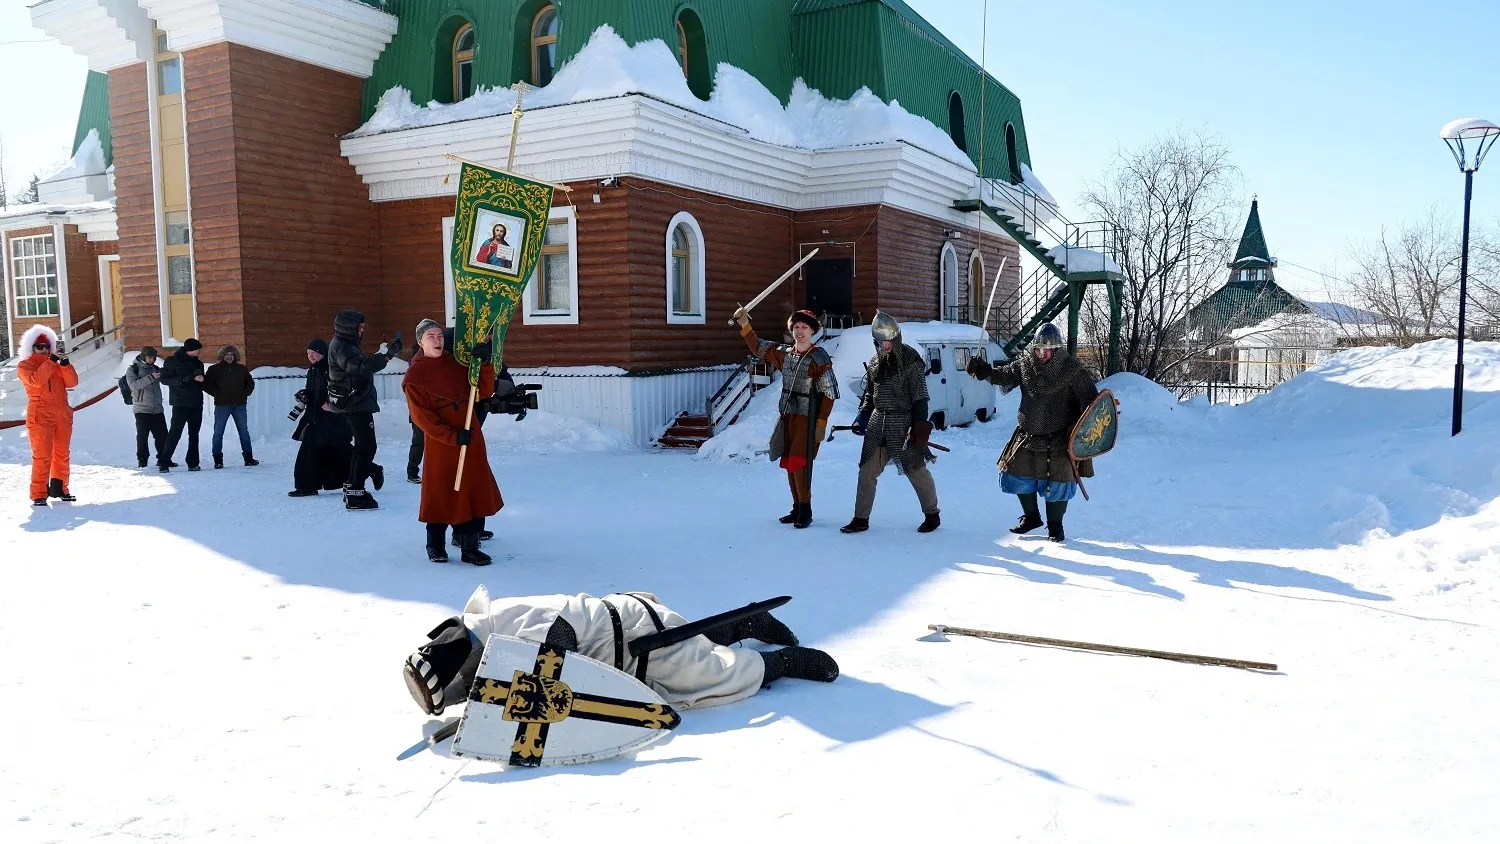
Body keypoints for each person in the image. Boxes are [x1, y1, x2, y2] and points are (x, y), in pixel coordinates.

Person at [402, 585, 839, 718]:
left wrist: (544, 698)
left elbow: (559, 642)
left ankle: (777, 661)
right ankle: (738, 625)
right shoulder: (494, 618)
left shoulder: (504, 622)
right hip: (624, 620)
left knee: (720, 673)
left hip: (635, 641)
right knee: (687, 635)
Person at [965, 323, 1104, 543]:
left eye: (1046, 350)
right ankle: (1031, 518)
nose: (1041, 354)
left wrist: (1099, 413)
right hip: (1028, 435)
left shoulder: (1072, 370)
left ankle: (1055, 527)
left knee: (1058, 483)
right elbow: (1005, 376)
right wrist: (984, 371)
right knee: (1017, 474)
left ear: (1056, 350)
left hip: (1060, 438)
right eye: (1038, 349)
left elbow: (1091, 401)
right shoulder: (1025, 364)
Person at [403, 318, 502, 565]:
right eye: (430, 336)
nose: (437, 340)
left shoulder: (457, 364)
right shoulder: (415, 376)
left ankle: (470, 547)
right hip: (443, 444)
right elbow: (422, 418)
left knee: (469, 489)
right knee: (441, 491)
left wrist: (484, 362)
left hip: (470, 436)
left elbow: (482, 391)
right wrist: (451, 437)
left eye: (439, 335)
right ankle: (434, 545)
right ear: (420, 342)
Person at [732, 308, 839, 528]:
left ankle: (806, 510)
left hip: (807, 419)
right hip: (788, 415)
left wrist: (821, 422)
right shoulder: (786, 354)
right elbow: (758, 347)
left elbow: (830, 394)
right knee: (789, 462)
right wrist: (744, 325)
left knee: (800, 463)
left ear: (812, 331)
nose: (800, 331)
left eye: (805, 327)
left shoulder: (819, 357)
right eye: (796, 327)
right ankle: (797, 507)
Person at [841, 312, 941, 534]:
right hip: (878, 424)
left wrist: (919, 429)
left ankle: (932, 514)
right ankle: (860, 519)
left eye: (888, 341)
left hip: (903, 423)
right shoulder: (876, 361)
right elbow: (869, 395)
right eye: (880, 341)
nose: (884, 345)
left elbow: (920, 398)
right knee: (866, 472)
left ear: (896, 338)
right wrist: (863, 416)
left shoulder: (911, 360)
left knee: (916, 470)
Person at [327, 309, 399, 511]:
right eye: (360, 327)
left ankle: (353, 487)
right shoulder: (342, 346)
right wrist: (387, 357)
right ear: (349, 327)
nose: (362, 330)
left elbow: (360, 366)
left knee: (362, 446)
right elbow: (360, 368)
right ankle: (355, 492)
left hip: (355, 401)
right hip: (354, 403)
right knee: (367, 446)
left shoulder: (346, 344)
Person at [17, 325, 78, 505]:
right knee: (42, 455)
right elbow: (36, 381)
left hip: (61, 413)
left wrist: (65, 365)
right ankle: (38, 493)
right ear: (32, 347)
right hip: (40, 413)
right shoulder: (25, 365)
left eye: (46, 346)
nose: (43, 349)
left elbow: (72, 382)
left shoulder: (56, 364)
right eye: (39, 346)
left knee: (62, 453)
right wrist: (51, 361)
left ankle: (59, 487)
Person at [288, 339, 353, 497]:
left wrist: (331, 404)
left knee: (339, 450)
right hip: (315, 417)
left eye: (313, 353)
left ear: (322, 353)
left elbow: (343, 389)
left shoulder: (332, 368)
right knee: (311, 451)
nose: (310, 356)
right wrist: (304, 394)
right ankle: (307, 485)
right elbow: (312, 390)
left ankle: (367, 470)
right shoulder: (313, 370)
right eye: (308, 353)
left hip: (332, 418)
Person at [202, 344, 257, 469]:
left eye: (232, 354)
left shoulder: (242, 369)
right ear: (222, 356)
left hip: (239, 405)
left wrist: (244, 394)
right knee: (218, 433)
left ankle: (249, 458)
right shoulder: (214, 369)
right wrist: (217, 393)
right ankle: (218, 460)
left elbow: (250, 383)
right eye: (226, 355)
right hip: (222, 405)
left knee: (244, 432)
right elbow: (206, 385)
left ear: (235, 356)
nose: (229, 357)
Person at [159, 338, 205, 471]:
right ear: (190, 350)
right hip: (180, 403)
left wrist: (202, 379)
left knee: (194, 434)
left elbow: (202, 379)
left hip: (196, 402)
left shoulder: (198, 363)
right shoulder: (172, 361)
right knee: (175, 433)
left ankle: (193, 462)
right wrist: (185, 379)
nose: (199, 352)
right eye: (198, 349)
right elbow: (165, 379)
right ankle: (164, 462)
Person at [126, 346, 170, 471]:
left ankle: (163, 459)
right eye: (150, 357)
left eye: (154, 358)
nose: (152, 360)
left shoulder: (155, 368)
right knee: (143, 436)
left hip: (157, 408)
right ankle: (142, 460)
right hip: (142, 408)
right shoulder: (132, 369)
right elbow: (133, 385)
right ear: (143, 356)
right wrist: (151, 377)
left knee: (162, 436)